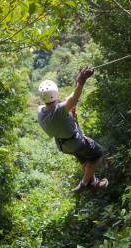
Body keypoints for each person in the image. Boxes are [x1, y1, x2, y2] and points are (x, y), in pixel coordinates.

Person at [37, 66, 108, 195]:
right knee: (97, 154)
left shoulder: (41, 111)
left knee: (85, 161)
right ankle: (84, 184)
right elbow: (71, 100)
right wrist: (82, 80)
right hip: (76, 142)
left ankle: (94, 183)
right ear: (56, 93)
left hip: (64, 145)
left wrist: (72, 99)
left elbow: (70, 100)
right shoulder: (60, 110)